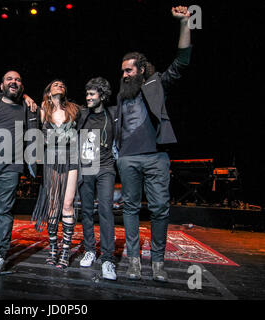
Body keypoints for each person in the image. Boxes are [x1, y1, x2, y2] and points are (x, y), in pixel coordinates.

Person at [114, 6, 192, 282]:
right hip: (128, 159)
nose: (124, 75)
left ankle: (157, 261)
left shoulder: (156, 84)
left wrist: (184, 23)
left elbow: (182, 61)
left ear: (141, 69)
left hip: (156, 157)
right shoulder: (122, 97)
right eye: (122, 71)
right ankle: (134, 260)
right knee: (131, 209)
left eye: (128, 70)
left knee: (160, 208)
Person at [0, 70, 39, 275]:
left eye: (18, 79)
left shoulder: (27, 108)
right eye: (9, 79)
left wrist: (27, 98)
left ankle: (1, 252)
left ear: (22, 86)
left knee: (4, 211)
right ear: (1, 85)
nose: (14, 81)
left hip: (11, 167)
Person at [32, 79, 80, 270]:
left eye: (62, 84)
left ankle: (66, 251)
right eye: (55, 84)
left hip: (71, 158)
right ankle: (53, 249)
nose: (59, 85)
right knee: (53, 205)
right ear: (49, 91)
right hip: (51, 159)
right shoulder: (43, 109)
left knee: (67, 204)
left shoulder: (74, 109)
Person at [76, 77, 117, 280]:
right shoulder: (82, 114)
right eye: (87, 94)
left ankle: (108, 258)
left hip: (106, 166)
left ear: (102, 95)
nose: (88, 97)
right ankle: (90, 249)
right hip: (86, 166)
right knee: (86, 209)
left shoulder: (113, 114)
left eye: (92, 94)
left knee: (106, 209)